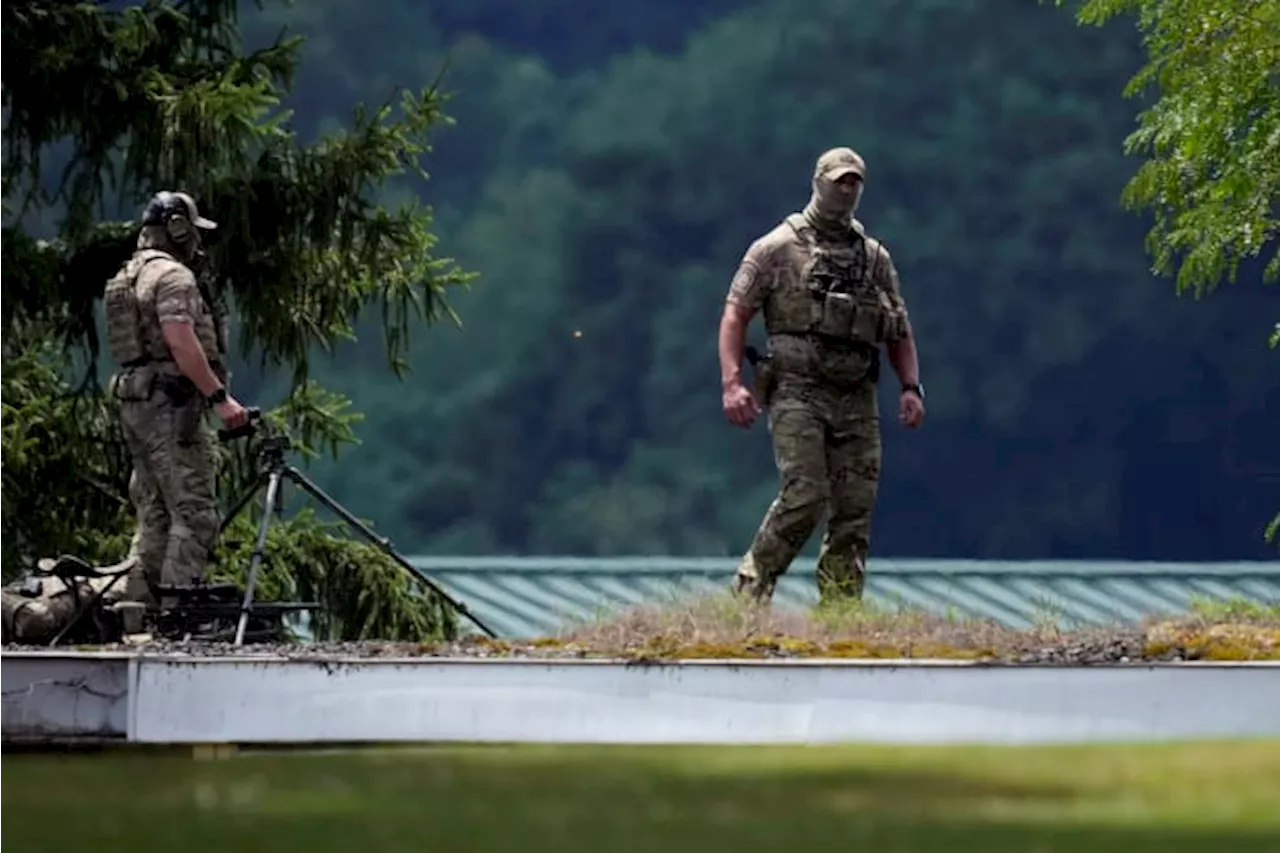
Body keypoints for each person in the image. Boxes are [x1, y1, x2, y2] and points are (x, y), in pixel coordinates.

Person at [717, 147, 925, 605]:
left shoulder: (873, 260)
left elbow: (899, 329)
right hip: (798, 390)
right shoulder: (775, 249)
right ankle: (749, 592)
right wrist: (733, 383)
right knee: (806, 493)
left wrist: (910, 386)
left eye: (854, 183)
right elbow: (736, 314)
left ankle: (840, 613)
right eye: (839, 181)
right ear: (818, 183)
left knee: (854, 507)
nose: (846, 190)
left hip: (857, 396)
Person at [102, 190, 250, 606]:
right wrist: (221, 398)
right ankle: (176, 614)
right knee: (195, 514)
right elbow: (181, 341)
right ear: (176, 228)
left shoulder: (127, 275)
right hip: (172, 408)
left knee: (155, 517)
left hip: (137, 403)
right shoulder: (173, 277)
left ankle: (136, 612)